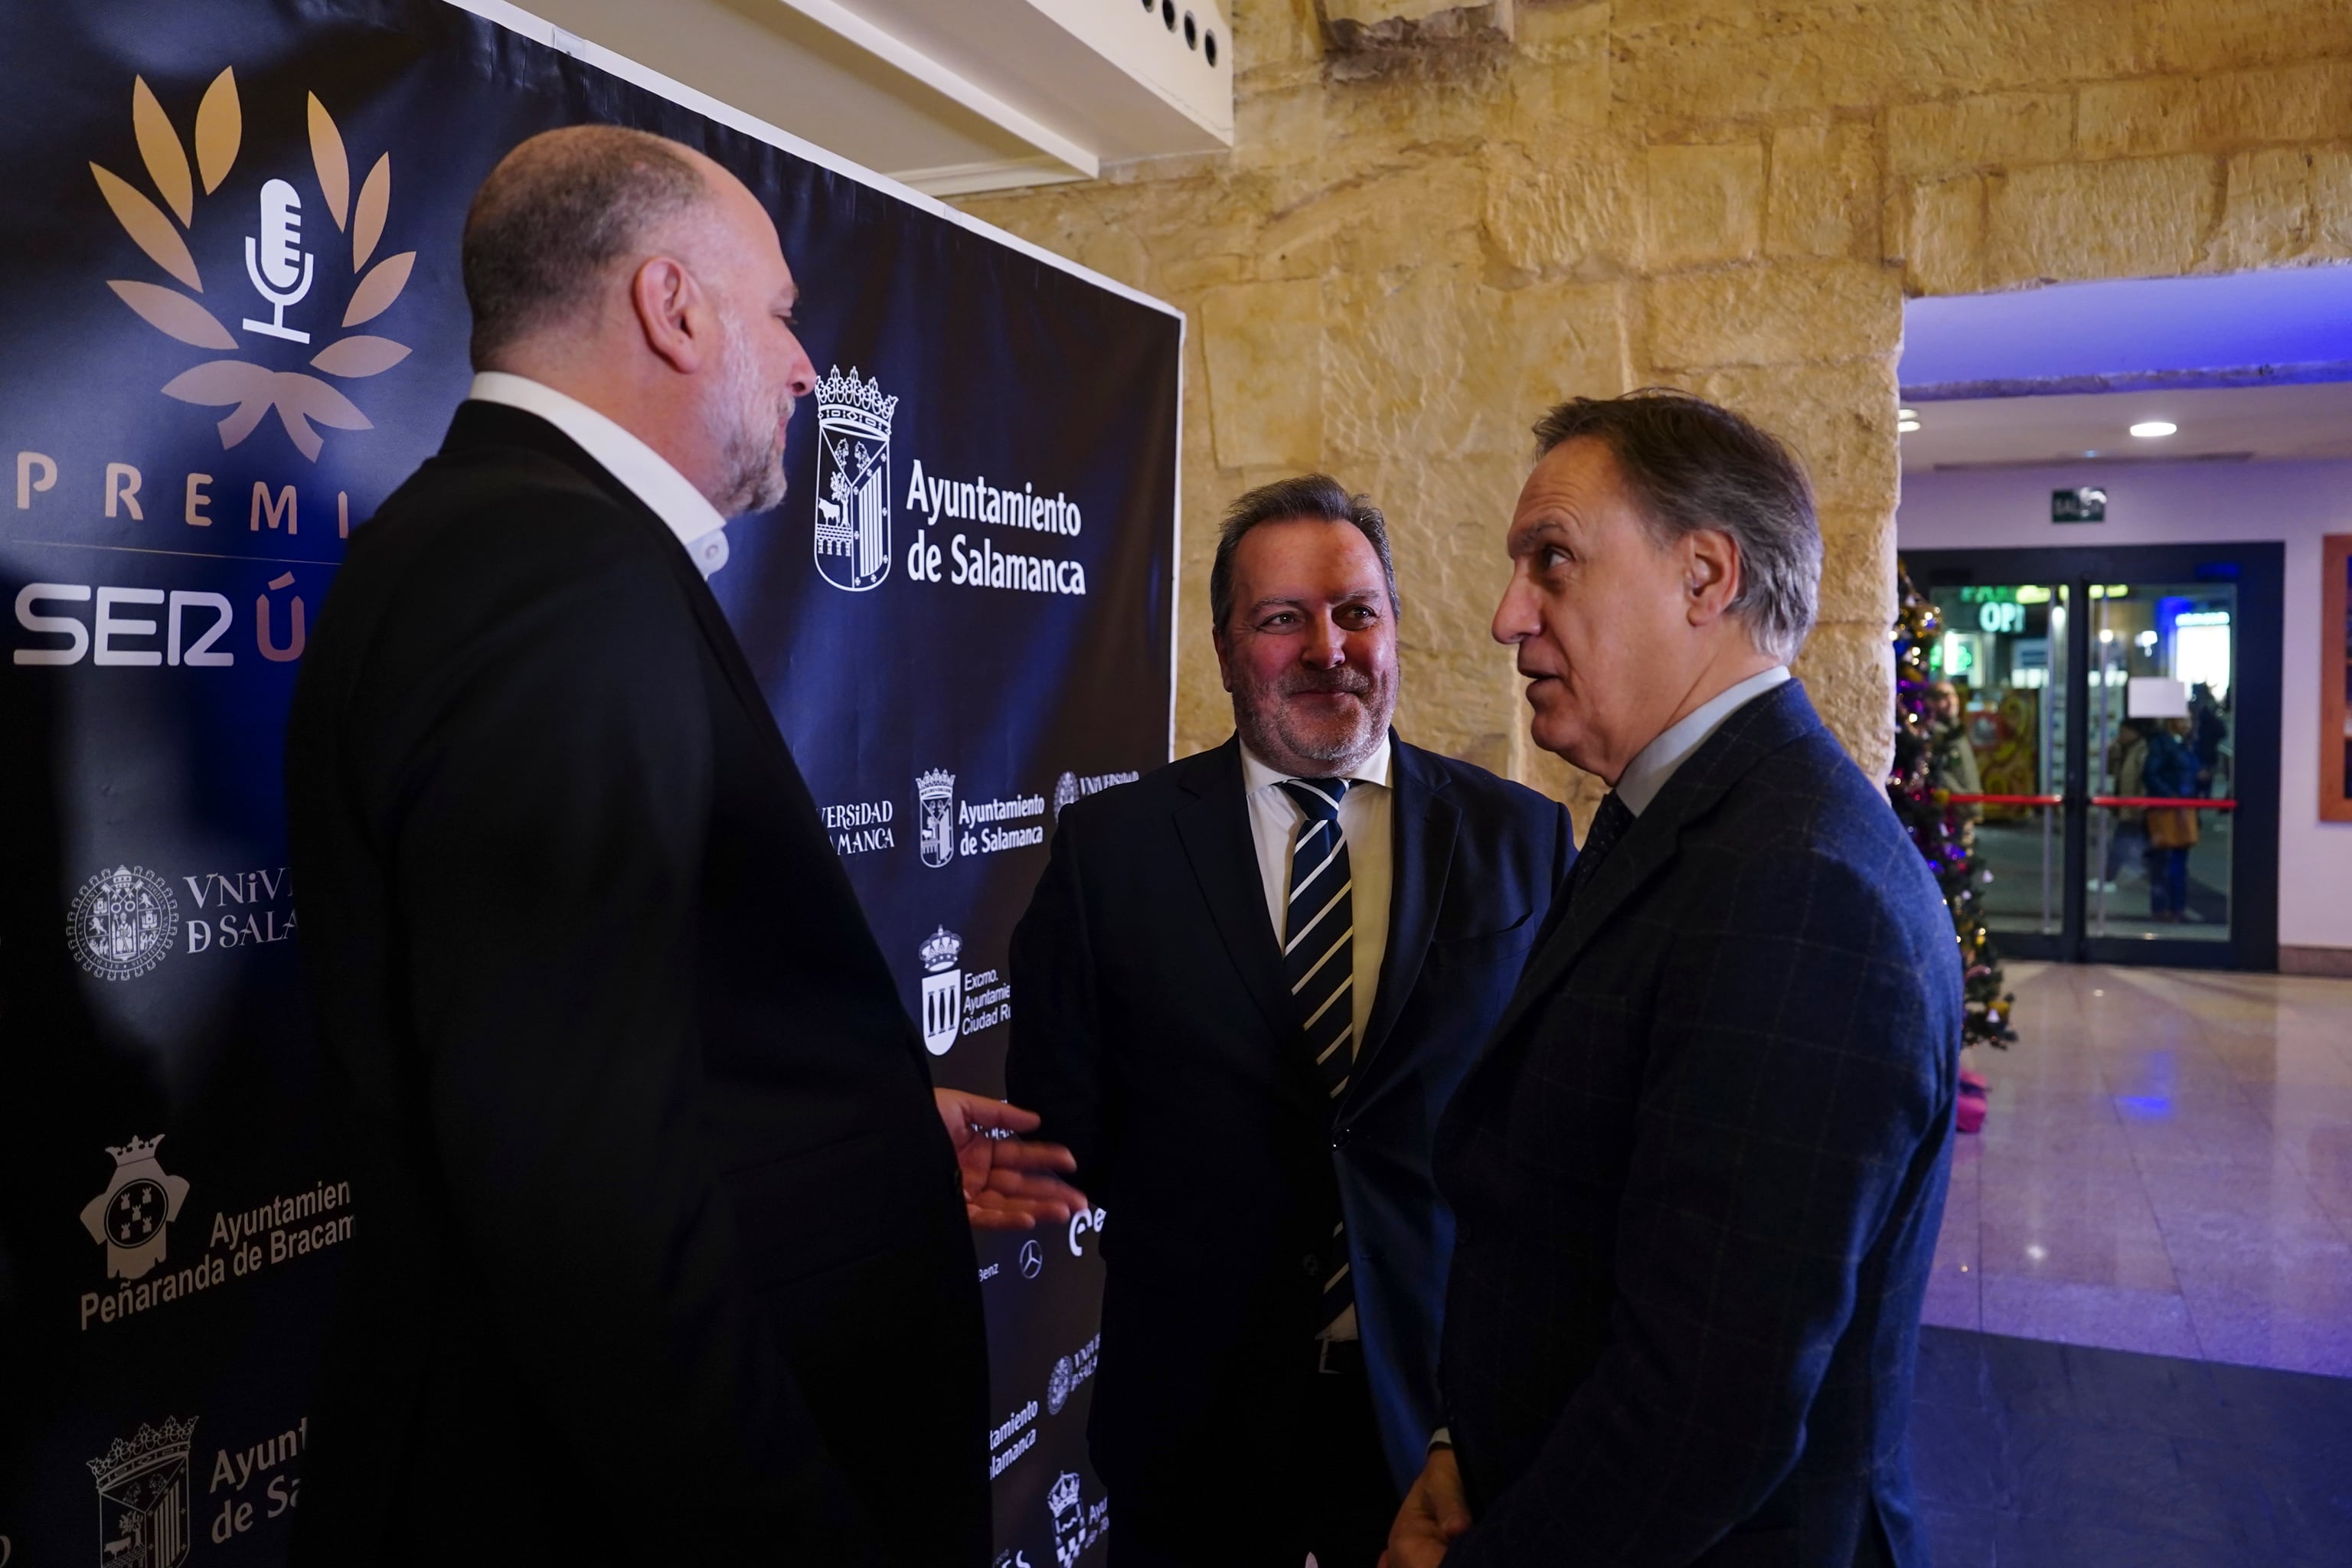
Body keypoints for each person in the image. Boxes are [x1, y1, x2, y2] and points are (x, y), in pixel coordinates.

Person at [283, 126, 1082, 1567]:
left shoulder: (507, 542)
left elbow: (597, 1046)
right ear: (672, 307)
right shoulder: (553, 578)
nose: (806, 367)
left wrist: (865, 1142)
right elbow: (583, 1195)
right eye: (778, 312)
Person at [1389, 390, 1961, 1568]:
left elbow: (1702, 1412)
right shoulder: (1677, 817)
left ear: (1705, 577)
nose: (1507, 616)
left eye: (1552, 561)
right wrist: (1462, 1450)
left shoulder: (1801, 888)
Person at [1008, 476, 1572, 1567]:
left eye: (1358, 611)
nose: (1328, 649)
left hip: (1443, 1425)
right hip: (1194, 1422)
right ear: (1226, 649)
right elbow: (1069, 1118)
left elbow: (1554, 1140)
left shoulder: (1524, 843)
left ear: (1395, 628)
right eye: (1282, 619)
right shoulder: (1110, 853)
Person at [2141, 716, 2202, 923]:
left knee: (2178, 861)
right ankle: (2164, 908)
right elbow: (2150, 774)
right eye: (2182, 720)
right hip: (2167, 809)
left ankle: (2177, 908)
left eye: (2189, 720)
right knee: (2165, 860)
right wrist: (2171, 797)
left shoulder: (2187, 744)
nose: (2186, 725)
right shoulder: (2163, 743)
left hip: (2185, 808)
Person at [1927, 679, 1981, 824]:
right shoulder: (1935, 735)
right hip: (1951, 814)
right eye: (1944, 697)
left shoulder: (1956, 730)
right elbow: (1940, 774)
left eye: (1953, 695)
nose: (1951, 701)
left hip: (1966, 811)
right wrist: (1964, 801)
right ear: (1931, 702)